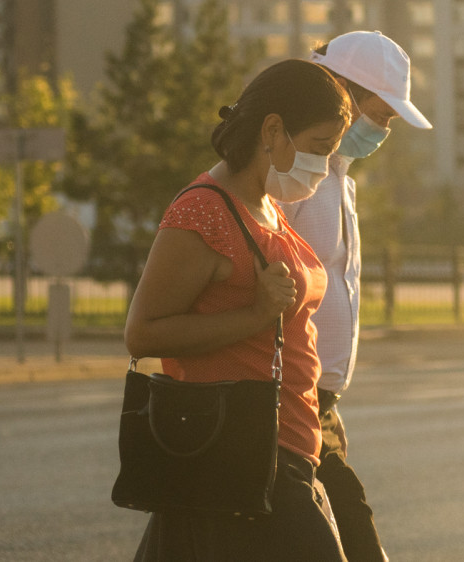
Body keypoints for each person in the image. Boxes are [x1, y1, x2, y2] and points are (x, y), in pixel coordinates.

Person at [123, 58, 350, 561]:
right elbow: (142, 334)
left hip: (286, 450)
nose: (324, 165)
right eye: (319, 148)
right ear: (273, 130)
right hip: (239, 458)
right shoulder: (204, 210)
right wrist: (254, 315)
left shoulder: (265, 207)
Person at [281, 31, 432, 562]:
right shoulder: (295, 176)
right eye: (380, 114)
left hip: (319, 398)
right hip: (289, 396)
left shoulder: (339, 176)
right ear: (341, 91)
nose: (383, 129)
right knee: (351, 529)